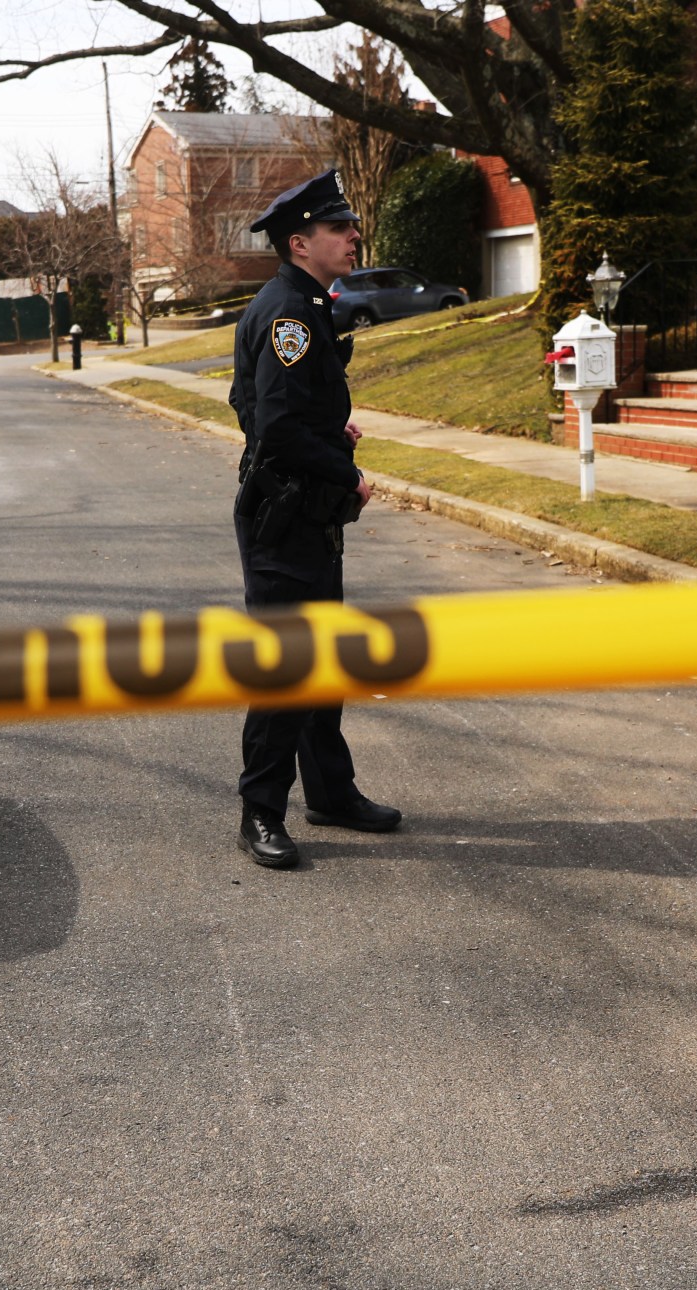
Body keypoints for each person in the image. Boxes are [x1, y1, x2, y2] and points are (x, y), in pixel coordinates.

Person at [228, 170, 401, 870]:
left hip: (302, 512)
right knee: (285, 671)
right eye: (339, 228)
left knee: (320, 660)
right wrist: (345, 472)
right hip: (286, 517)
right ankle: (261, 812)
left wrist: (334, 434)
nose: (354, 236)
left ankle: (331, 793)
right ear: (301, 242)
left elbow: (254, 401)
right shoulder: (292, 313)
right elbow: (272, 423)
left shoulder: (299, 302)